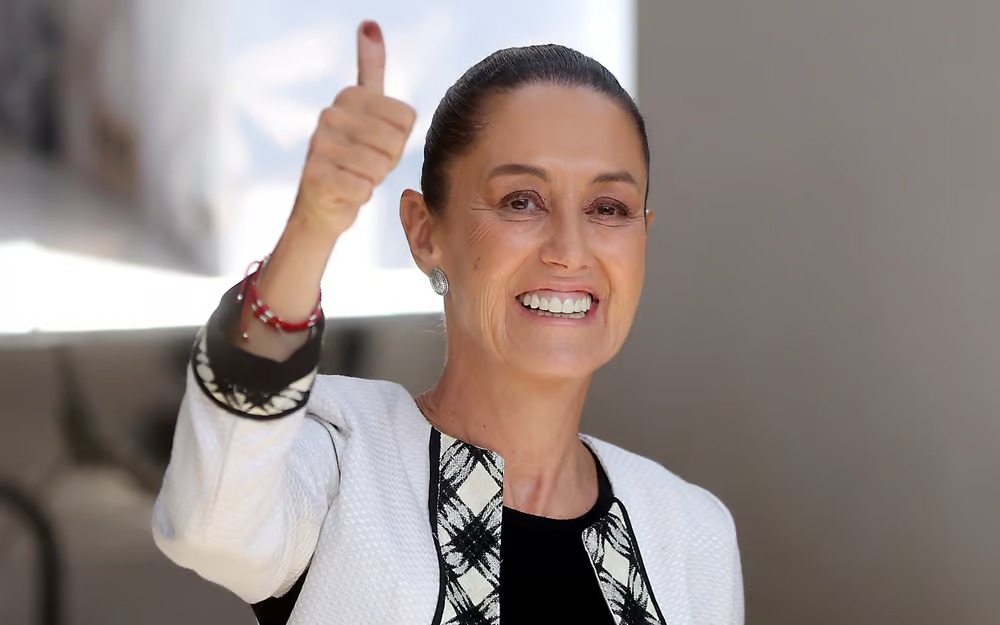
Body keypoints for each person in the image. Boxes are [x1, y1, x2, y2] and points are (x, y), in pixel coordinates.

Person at [152, 20, 743, 625]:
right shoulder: (342, 462)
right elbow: (209, 526)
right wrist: (314, 221)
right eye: (522, 201)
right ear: (424, 231)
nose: (570, 250)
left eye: (608, 208)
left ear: (643, 236)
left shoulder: (692, 533)